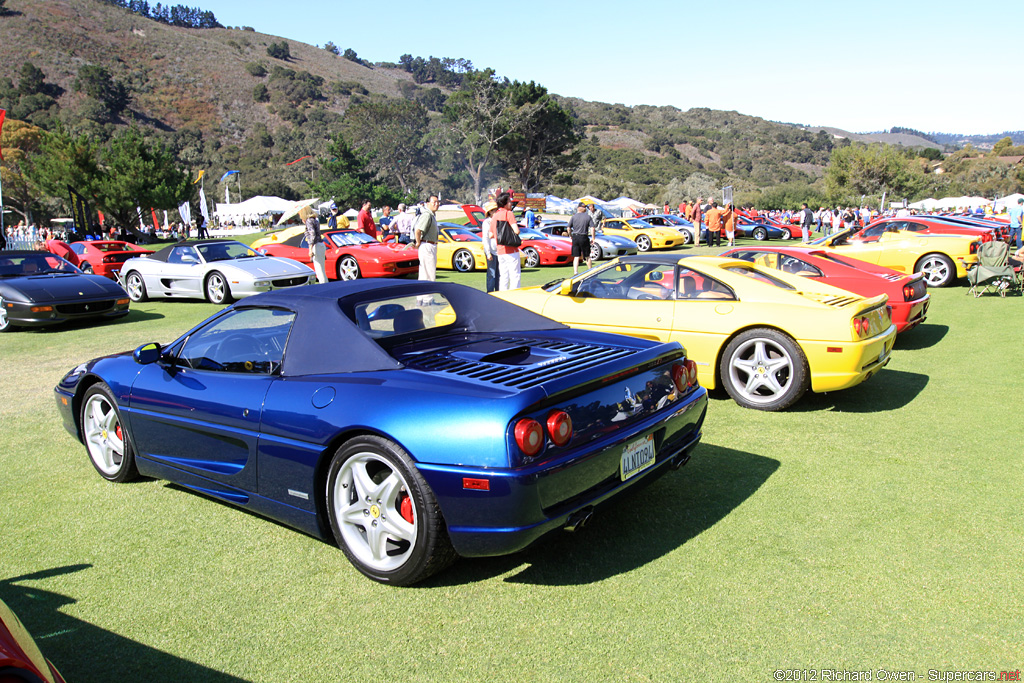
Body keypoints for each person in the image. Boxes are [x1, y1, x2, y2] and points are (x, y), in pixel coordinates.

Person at [494, 192, 521, 291]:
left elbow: (491, 234)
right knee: (515, 275)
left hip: (500, 250)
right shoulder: (509, 213)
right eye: (509, 201)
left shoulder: (495, 216)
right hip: (511, 250)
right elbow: (516, 231)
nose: (511, 203)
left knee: (503, 276)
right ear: (505, 203)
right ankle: (514, 295)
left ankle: (503, 296)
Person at [411, 195, 439, 286]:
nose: (436, 204)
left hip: (430, 245)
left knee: (426, 273)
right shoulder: (427, 215)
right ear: (428, 204)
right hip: (427, 246)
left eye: (437, 202)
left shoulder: (431, 215)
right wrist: (418, 242)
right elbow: (418, 230)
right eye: (434, 202)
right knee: (428, 274)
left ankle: (423, 298)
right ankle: (427, 299)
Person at [300, 205, 327, 284]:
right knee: (322, 269)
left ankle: (323, 286)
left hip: (316, 245)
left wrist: (310, 249)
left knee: (319, 270)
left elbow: (312, 235)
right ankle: (326, 284)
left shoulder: (309, 221)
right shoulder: (315, 220)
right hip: (321, 244)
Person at [567, 202, 596, 274]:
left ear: (578, 208)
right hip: (584, 237)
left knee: (576, 256)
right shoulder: (588, 217)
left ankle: (575, 272)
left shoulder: (574, 217)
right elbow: (592, 228)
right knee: (587, 256)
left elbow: (568, 228)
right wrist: (593, 238)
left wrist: (570, 235)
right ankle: (590, 271)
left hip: (576, 237)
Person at [480, 201, 501, 292]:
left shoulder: (500, 221)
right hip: (491, 251)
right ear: (489, 212)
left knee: (499, 274)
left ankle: (499, 293)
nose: (495, 212)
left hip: (500, 251)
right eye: (493, 210)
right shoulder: (487, 222)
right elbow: (485, 238)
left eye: (496, 210)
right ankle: (490, 293)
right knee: (491, 274)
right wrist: (488, 253)